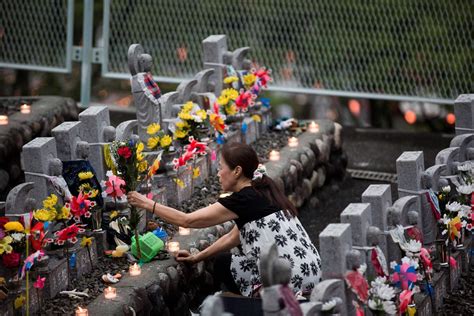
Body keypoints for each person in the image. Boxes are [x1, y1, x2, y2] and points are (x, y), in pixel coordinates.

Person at [127, 142, 321, 297]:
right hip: (312, 272)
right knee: (226, 259)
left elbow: (187, 221)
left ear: (237, 171)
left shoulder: (243, 199)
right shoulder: (264, 189)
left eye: (221, 168)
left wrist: (146, 203)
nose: (218, 173)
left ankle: (247, 304)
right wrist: (197, 257)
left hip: (289, 282)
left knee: (223, 264)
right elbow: (232, 237)